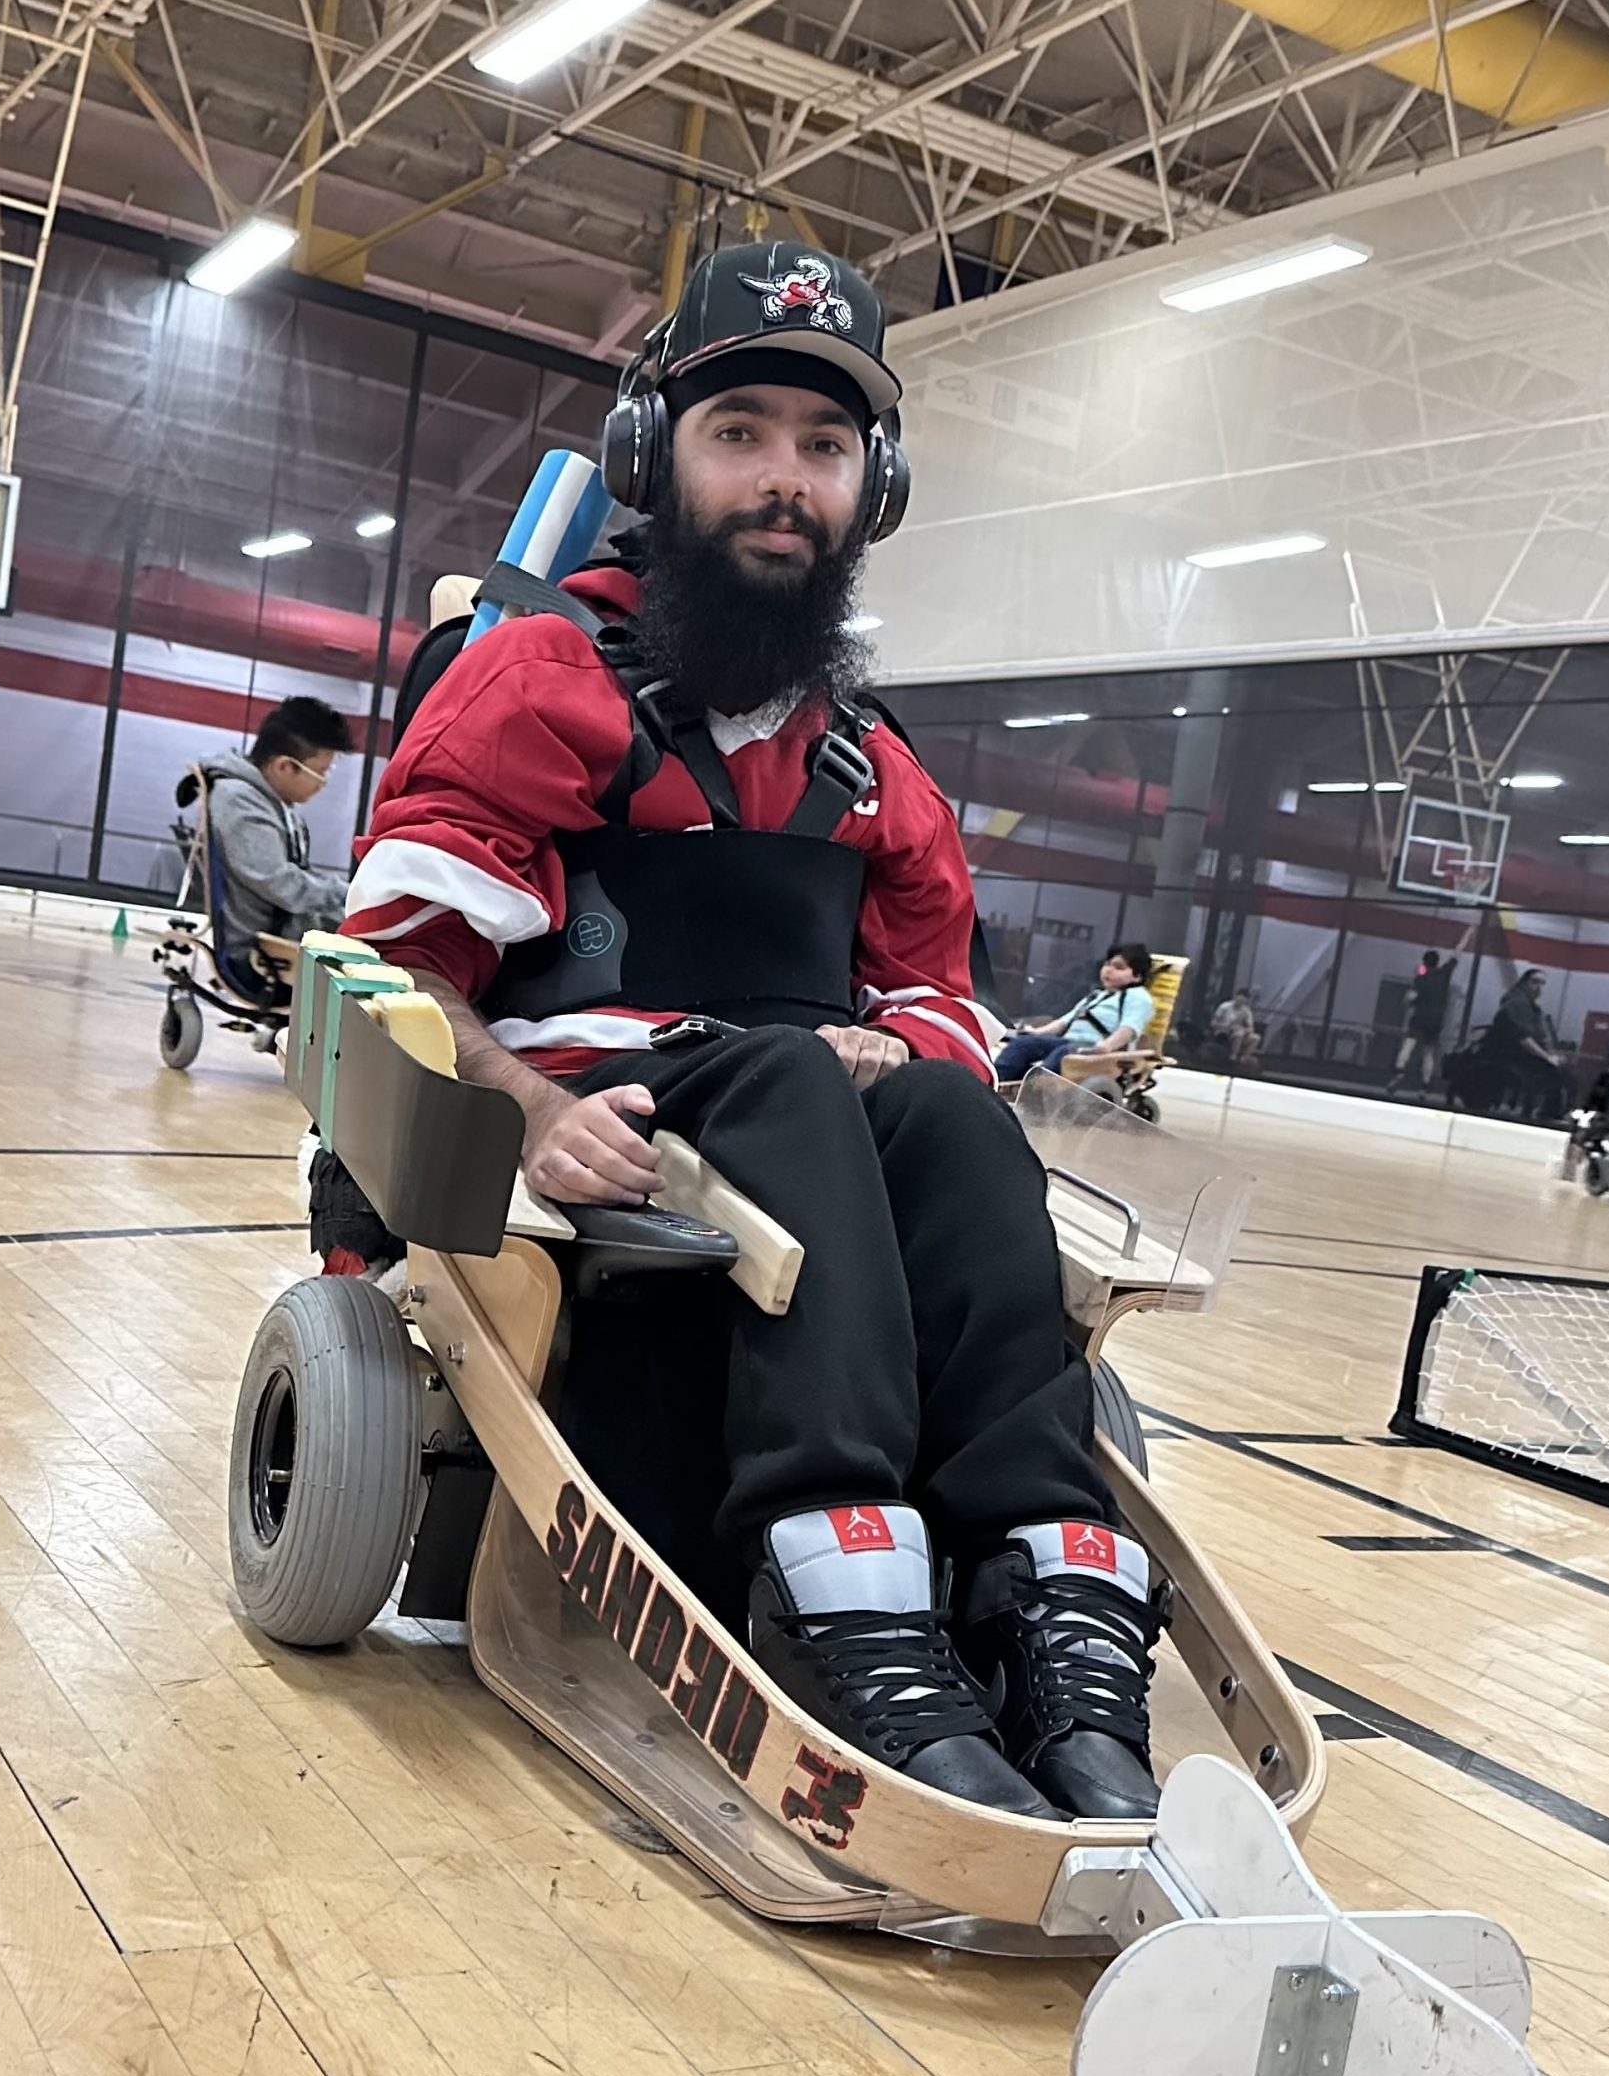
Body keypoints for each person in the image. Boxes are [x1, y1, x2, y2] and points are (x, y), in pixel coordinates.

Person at [341, 242, 1165, 1823]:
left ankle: (1039, 1581)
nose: (783, 480)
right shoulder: (538, 678)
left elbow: (937, 994)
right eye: (742, 435)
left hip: (798, 1117)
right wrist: (518, 1107)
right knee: (794, 1067)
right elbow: (397, 966)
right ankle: (826, 1562)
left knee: (944, 1109)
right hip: (605, 1106)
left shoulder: (869, 759)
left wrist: (911, 1047)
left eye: (823, 445)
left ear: (874, 488)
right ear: (658, 462)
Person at [198, 697, 353, 961]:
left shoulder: (265, 801)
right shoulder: (240, 802)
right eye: (321, 773)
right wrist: (348, 896)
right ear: (284, 766)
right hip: (263, 952)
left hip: (281, 935)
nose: (323, 784)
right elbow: (279, 882)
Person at [994, 944, 1156, 1085]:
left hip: (1095, 1048)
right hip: (1069, 1043)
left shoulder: (1138, 997)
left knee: (1063, 1054)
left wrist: (1107, 1046)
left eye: (1119, 967)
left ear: (1137, 976)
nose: (1109, 970)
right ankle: (995, 1081)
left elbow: (1128, 1029)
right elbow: (1063, 1022)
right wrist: (1035, 1033)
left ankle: (1036, 1089)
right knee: (1023, 1044)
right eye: (1107, 964)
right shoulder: (1095, 996)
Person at [1486, 968, 1568, 1120]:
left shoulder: (1532, 1008)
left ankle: (1547, 1113)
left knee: (1563, 1073)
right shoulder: (1516, 1004)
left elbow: (1541, 1038)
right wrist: (1548, 1058)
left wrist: (1553, 1055)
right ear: (1524, 983)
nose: (1539, 987)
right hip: (1510, 1055)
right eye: (1535, 982)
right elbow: (1525, 1039)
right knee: (1552, 1074)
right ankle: (1542, 1115)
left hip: (1525, 1055)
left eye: (1542, 983)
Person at [1387, 949, 1455, 1097]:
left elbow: (1409, 999)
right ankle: (1424, 1086)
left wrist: (1408, 1001)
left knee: (1408, 1045)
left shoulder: (1420, 979)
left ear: (1424, 962)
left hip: (1419, 1017)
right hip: (1435, 1021)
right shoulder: (1444, 975)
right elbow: (1456, 954)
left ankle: (1399, 1070)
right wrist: (1469, 934)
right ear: (1437, 962)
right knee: (1428, 1053)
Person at [1208, 988, 1260, 1069]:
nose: (1241, 1002)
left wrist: (1243, 1029)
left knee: (1255, 1038)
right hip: (1223, 1033)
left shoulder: (1246, 1011)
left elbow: (1251, 1028)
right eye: (1240, 999)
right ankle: (1233, 1056)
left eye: (1244, 1000)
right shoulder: (1224, 1007)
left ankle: (1244, 1058)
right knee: (1238, 1035)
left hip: (1239, 1033)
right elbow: (1213, 1023)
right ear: (1235, 997)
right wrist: (1225, 1026)